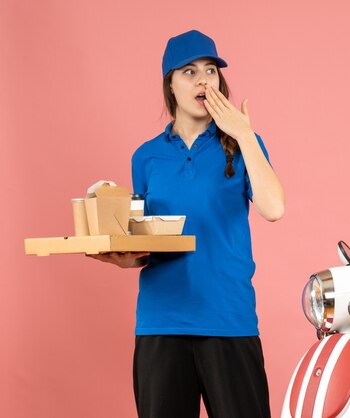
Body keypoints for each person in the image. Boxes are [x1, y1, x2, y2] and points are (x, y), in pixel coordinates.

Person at [89, 29, 284, 418]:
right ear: (171, 85)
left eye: (211, 71)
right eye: (190, 72)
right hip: (161, 324)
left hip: (228, 320)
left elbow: (273, 207)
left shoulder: (244, 143)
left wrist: (244, 133)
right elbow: (147, 242)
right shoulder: (146, 157)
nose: (203, 81)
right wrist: (124, 258)